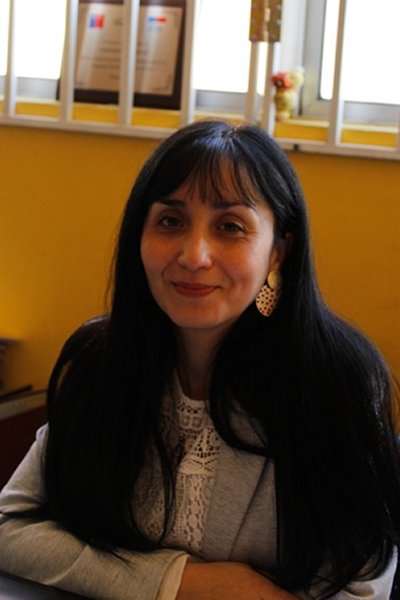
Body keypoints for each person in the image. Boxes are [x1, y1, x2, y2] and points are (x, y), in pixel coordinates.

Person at [0, 120, 399, 600]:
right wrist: (190, 583)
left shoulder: (337, 380)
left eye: (230, 226)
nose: (194, 255)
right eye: (170, 221)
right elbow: (9, 527)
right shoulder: (100, 361)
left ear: (279, 251)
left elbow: (360, 590)